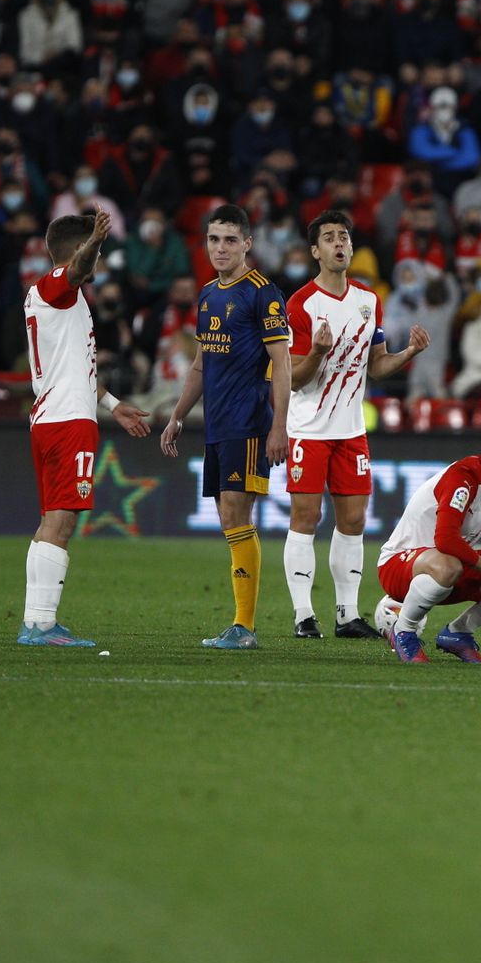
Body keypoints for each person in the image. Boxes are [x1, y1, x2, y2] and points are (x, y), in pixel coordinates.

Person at [283, 211, 431, 640]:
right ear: (315, 252)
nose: (338, 244)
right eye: (328, 238)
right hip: (308, 429)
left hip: (350, 432)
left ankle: (347, 615)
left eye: (343, 237)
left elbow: (377, 366)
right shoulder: (301, 304)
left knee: (353, 521)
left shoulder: (369, 300)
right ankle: (303, 615)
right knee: (305, 517)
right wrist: (316, 353)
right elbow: (293, 376)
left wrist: (407, 354)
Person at [159, 205, 292, 650]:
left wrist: (279, 427)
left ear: (247, 244)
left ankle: (245, 625)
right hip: (215, 425)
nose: (220, 248)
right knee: (229, 518)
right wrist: (178, 415)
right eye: (214, 239)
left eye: (230, 240)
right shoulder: (207, 295)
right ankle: (241, 625)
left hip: (249, 423)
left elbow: (282, 363)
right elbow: (200, 364)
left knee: (236, 510)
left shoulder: (263, 293)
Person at [18, 211, 152, 646]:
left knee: (50, 523)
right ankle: (41, 625)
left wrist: (114, 405)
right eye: (95, 253)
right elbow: (76, 268)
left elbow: (79, 368)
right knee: (61, 523)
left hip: (54, 417)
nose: (98, 263)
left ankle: (35, 622)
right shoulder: (55, 286)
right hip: (68, 422)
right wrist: (93, 241)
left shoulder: (58, 300)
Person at [377, 436, 481, 665]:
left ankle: (458, 633)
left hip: (452, 570)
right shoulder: (463, 479)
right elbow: (446, 540)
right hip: (398, 568)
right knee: (448, 564)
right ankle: (404, 630)